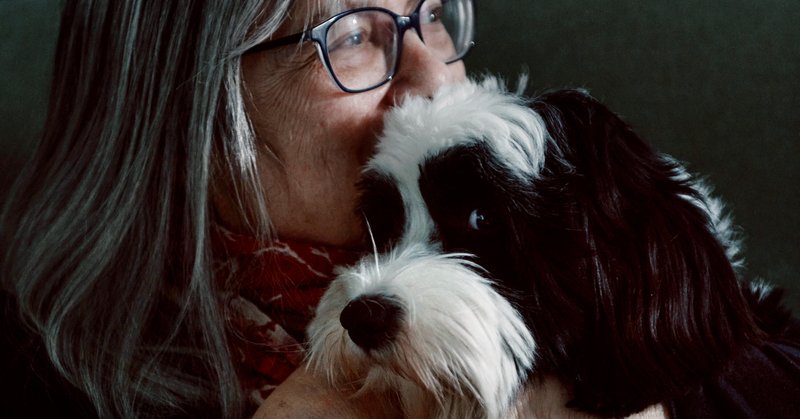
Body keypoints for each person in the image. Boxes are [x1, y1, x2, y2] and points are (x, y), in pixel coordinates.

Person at [1, 0, 470, 418]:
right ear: (189, 116)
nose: (435, 80)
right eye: (349, 36)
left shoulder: (533, 302)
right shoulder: (38, 385)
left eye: (431, 14)